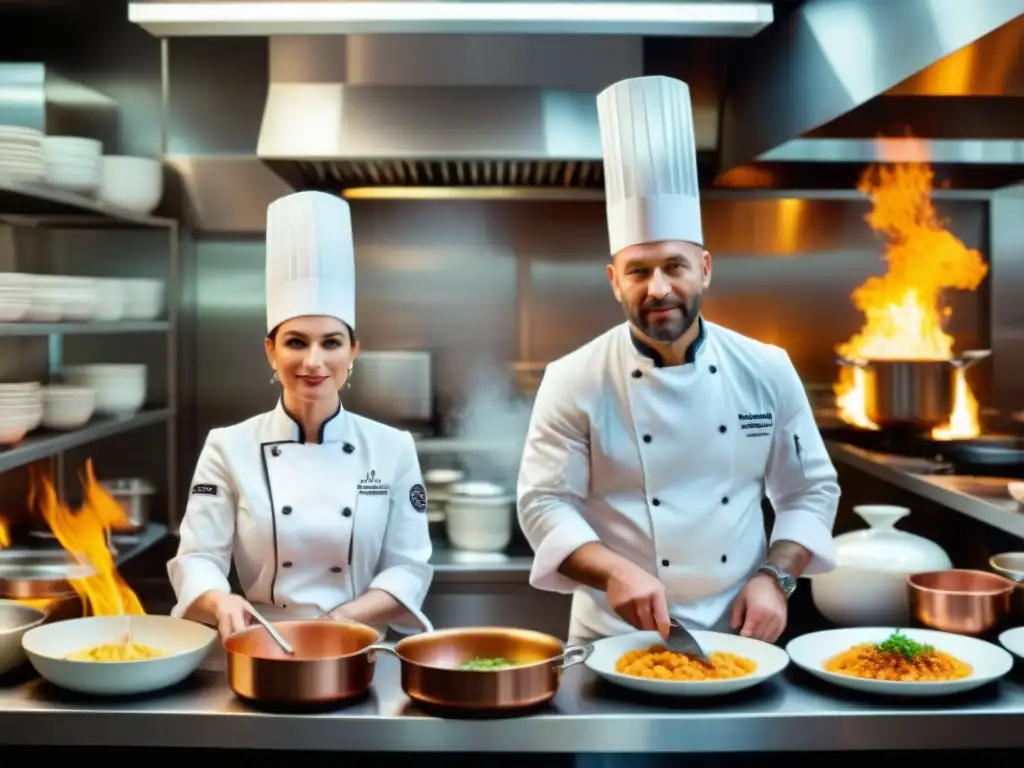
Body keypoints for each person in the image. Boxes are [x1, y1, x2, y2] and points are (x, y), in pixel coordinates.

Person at [517, 75, 840, 647]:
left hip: (740, 631)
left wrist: (776, 576)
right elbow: (545, 502)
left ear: (706, 269)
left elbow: (810, 491)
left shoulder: (766, 368)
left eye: (675, 266)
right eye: (638, 271)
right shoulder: (573, 378)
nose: (658, 287)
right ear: (615, 282)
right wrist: (614, 571)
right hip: (613, 635)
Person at [168, 190, 433, 640]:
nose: (313, 362)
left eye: (331, 342)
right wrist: (222, 599)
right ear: (270, 351)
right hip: (262, 643)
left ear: (353, 352)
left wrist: (337, 624)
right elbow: (198, 558)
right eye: (295, 342)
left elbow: (407, 567)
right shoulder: (227, 447)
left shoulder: (393, 448)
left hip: (357, 642)